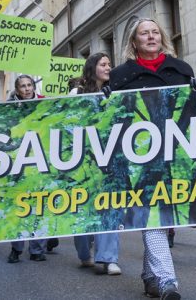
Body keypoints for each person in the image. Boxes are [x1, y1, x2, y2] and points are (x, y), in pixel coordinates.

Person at [109, 18, 196, 300]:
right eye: (144, 33)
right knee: (154, 214)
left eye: (155, 32)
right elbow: (114, 118)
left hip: (175, 154)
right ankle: (167, 280)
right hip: (140, 159)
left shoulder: (181, 70)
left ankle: (150, 276)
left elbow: (195, 113)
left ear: (162, 38)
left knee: (159, 215)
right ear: (134, 42)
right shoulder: (121, 76)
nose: (151, 36)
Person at [70, 53, 123, 276]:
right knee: (84, 208)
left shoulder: (117, 90)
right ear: (93, 68)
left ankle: (109, 259)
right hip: (85, 161)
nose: (108, 67)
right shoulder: (77, 93)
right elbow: (71, 124)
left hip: (111, 160)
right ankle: (85, 253)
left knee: (110, 205)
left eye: (110, 64)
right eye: (103, 64)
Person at [6, 74, 52, 263]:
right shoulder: (8, 108)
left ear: (34, 86)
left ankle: (37, 250)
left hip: (41, 160)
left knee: (40, 205)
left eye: (29, 85)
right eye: (23, 86)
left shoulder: (45, 104)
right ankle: (16, 248)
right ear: (17, 90)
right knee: (20, 205)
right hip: (19, 162)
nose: (26, 89)